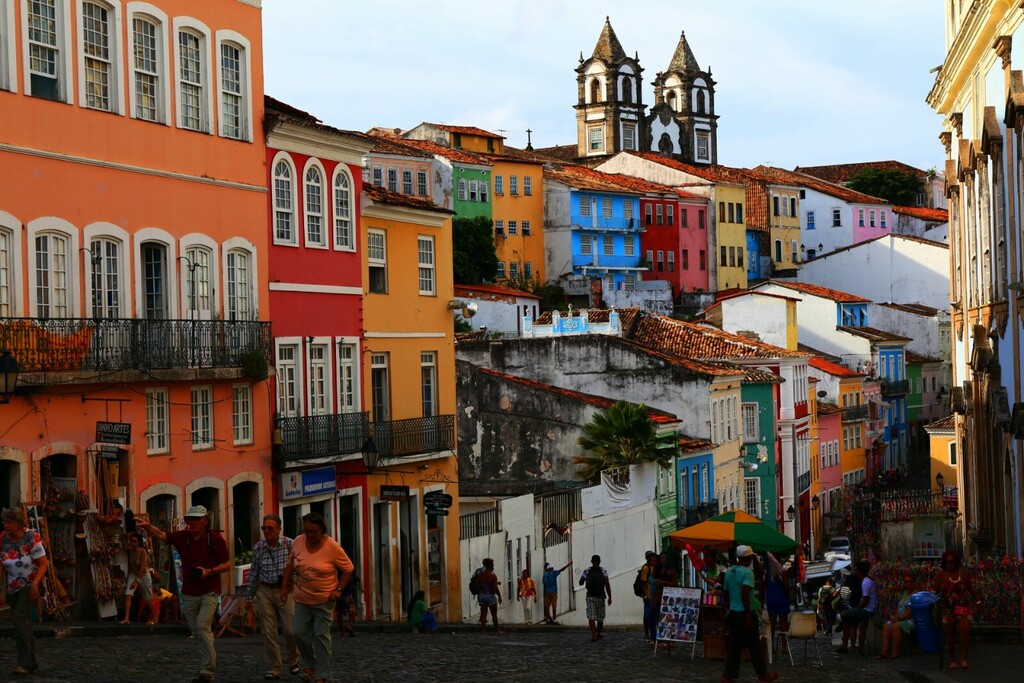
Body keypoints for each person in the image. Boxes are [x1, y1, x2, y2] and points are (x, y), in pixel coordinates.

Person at [139, 505, 230, 683]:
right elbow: (161, 535)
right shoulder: (183, 537)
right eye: (189, 519)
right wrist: (147, 526)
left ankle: (207, 672)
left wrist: (209, 571)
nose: (192, 522)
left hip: (210, 591)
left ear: (205, 521)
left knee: (202, 626)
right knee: (196, 631)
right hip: (189, 592)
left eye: (196, 519)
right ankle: (207, 656)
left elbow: (227, 564)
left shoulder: (215, 540)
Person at [280, 512, 353, 683]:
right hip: (302, 598)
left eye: (314, 531)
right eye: (307, 531)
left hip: (324, 600)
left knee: (321, 636)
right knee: (298, 633)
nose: (310, 535)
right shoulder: (298, 541)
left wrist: (339, 589)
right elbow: (290, 564)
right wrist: (284, 587)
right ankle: (309, 663)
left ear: (322, 530)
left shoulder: (331, 546)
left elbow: (348, 568)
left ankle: (322, 674)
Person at [244, 514, 299, 680]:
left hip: (285, 591)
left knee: (290, 630)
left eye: (270, 528)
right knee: (268, 632)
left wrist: (292, 583)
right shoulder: (259, 547)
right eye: (264, 528)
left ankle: (293, 659)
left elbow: (298, 568)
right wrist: (248, 597)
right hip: (265, 591)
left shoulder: (290, 544)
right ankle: (275, 667)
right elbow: (254, 572)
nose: (266, 531)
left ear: (279, 529)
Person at [0, 508, 48, 677]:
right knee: (23, 623)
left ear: (19, 523)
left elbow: (43, 564)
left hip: (30, 586)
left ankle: (24, 663)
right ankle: (31, 662)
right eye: (5, 522)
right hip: (12, 586)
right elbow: (1, 563)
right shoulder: (3, 538)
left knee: (18, 618)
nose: (6, 525)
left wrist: (35, 584)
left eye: (9, 522)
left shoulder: (31, 537)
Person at [721, 545, 778, 683]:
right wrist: (747, 614)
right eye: (751, 557)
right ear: (747, 558)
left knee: (734, 646)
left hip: (734, 612)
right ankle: (762, 674)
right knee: (754, 646)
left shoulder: (729, 572)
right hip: (745, 613)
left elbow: (726, 593)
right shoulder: (747, 573)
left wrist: (729, 609)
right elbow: (745, 592)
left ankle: (728, 675)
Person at [933, 550, 976, 670]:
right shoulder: (941, 575)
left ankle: (964, 658)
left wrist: (978, 601)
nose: (949, 564)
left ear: (956, 562)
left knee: (964, 631)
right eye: (946, 562)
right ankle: (952, 658)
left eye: (951, 562)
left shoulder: (964, 574)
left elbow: (971, 589)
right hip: (948, 609)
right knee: (950, 635)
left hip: (963, 607)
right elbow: (934, 591)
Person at [119, 531, 158, 625]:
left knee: (148, 598)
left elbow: (142, 568)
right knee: (128, 594)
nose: (132, 543)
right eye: (131, 541)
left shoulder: (143, 552)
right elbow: (124, 546)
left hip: (143, 575)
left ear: (138, 542)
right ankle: (126, 618)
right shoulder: (131, 550)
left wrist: (136, 581)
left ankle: (154, 618)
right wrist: (124, 537)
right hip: (134, 573)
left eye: (134, 541)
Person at [837, 560, 876, 655]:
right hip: (866, 608)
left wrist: (857, 608)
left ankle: (849, 647)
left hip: (866, 609)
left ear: (858, 571)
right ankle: (856, 649)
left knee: (844, 616)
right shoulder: (866, 581)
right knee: (859, 626)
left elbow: (865, 600)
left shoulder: (865, 582)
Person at [877, 574, 915, 660]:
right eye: (906, 581)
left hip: (911, 621)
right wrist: (896, 618)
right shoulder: (905, 593)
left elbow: (911, 611)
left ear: (914, 583)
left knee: (896, 626)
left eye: (910, 581)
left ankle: (895, 652)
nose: (908, 583)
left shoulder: (916, 594)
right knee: (887, 625)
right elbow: (899, 607)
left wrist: (899, 619)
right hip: (900, 619)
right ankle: (884, 652)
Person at [578, 554, 612, 642]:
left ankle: (593, 635)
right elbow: (607, 584)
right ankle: (598, 633)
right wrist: (609, 597)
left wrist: (584, 581)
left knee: (591, 616)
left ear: (591, 561)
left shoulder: (587, 571)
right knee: (600, 617)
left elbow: (580, 582)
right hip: (601, 596)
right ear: (599, 561)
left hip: (590, 596)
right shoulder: (603, 571)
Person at [764, 553, 791, 655]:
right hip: (781, 598)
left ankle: (771, 647)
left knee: (771, 624)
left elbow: (762, 586)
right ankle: (784, 647)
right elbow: (786, 586)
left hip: (770, 598)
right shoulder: (783, 571)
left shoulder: (766, 573)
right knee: (784, 625)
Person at [475, 557, 503, 634]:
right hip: (491, 596)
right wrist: (499, 596)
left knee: (483, 614)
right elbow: (495, 588)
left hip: (482, 596)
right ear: (491, 566)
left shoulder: (480, 576)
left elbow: (476, 586)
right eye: (493, 566)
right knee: (494, 614)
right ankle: (497, 630)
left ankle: (483, 631)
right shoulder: (493, 576)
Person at [541, 560, 572, 624]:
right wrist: (569, 564)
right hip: (554, 592)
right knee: (554, 606)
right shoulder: (554, 573)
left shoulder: (545, 574)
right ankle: (554, 619)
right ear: (551, 568)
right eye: (552, 568)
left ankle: (548, 619)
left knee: (547, 606)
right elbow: (562, 569)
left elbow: (543, 582)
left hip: (547, 591)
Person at [640, 551, 659, 642]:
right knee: (648, 616)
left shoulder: (656, 569)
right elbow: (643, 583)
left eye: (655, 560)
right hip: (649, 596)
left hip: (656, 596)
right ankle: (652, 636)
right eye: (652, 560)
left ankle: (654, 636)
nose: (654, 562)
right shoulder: (646, 568)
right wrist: (645, 596)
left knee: (654, 616)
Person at [337, 571, 361, 637]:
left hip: (337, 591)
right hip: (347, 592)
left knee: (339, 612)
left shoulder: (335, 567)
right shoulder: (348, 567)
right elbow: (357, 578)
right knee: (352, 610)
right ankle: (350, 626)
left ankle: (342, 632)